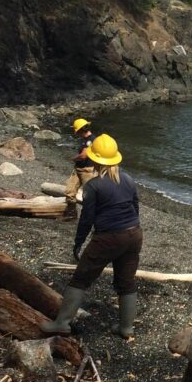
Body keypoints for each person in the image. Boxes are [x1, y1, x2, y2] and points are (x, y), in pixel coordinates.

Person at [41, 134, 140, 338]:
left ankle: (62, 322)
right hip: (134, 234)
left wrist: (78, 243)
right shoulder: (128, 179)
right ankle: (126, 328)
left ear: (95, 159)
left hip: (109, 237)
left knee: (80, 279)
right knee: (126, 281)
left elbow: (87, 218)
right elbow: (135, 207)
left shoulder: (94, 185)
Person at [60, 118, 96, 221]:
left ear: (80, 130)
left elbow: (84, 155)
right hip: (78, 168)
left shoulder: (91, 140)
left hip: (87, 170)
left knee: (90, 195)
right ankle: (71, 214)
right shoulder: (85, 140)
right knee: (69, 191)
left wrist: (73, 158)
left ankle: (91, 217)